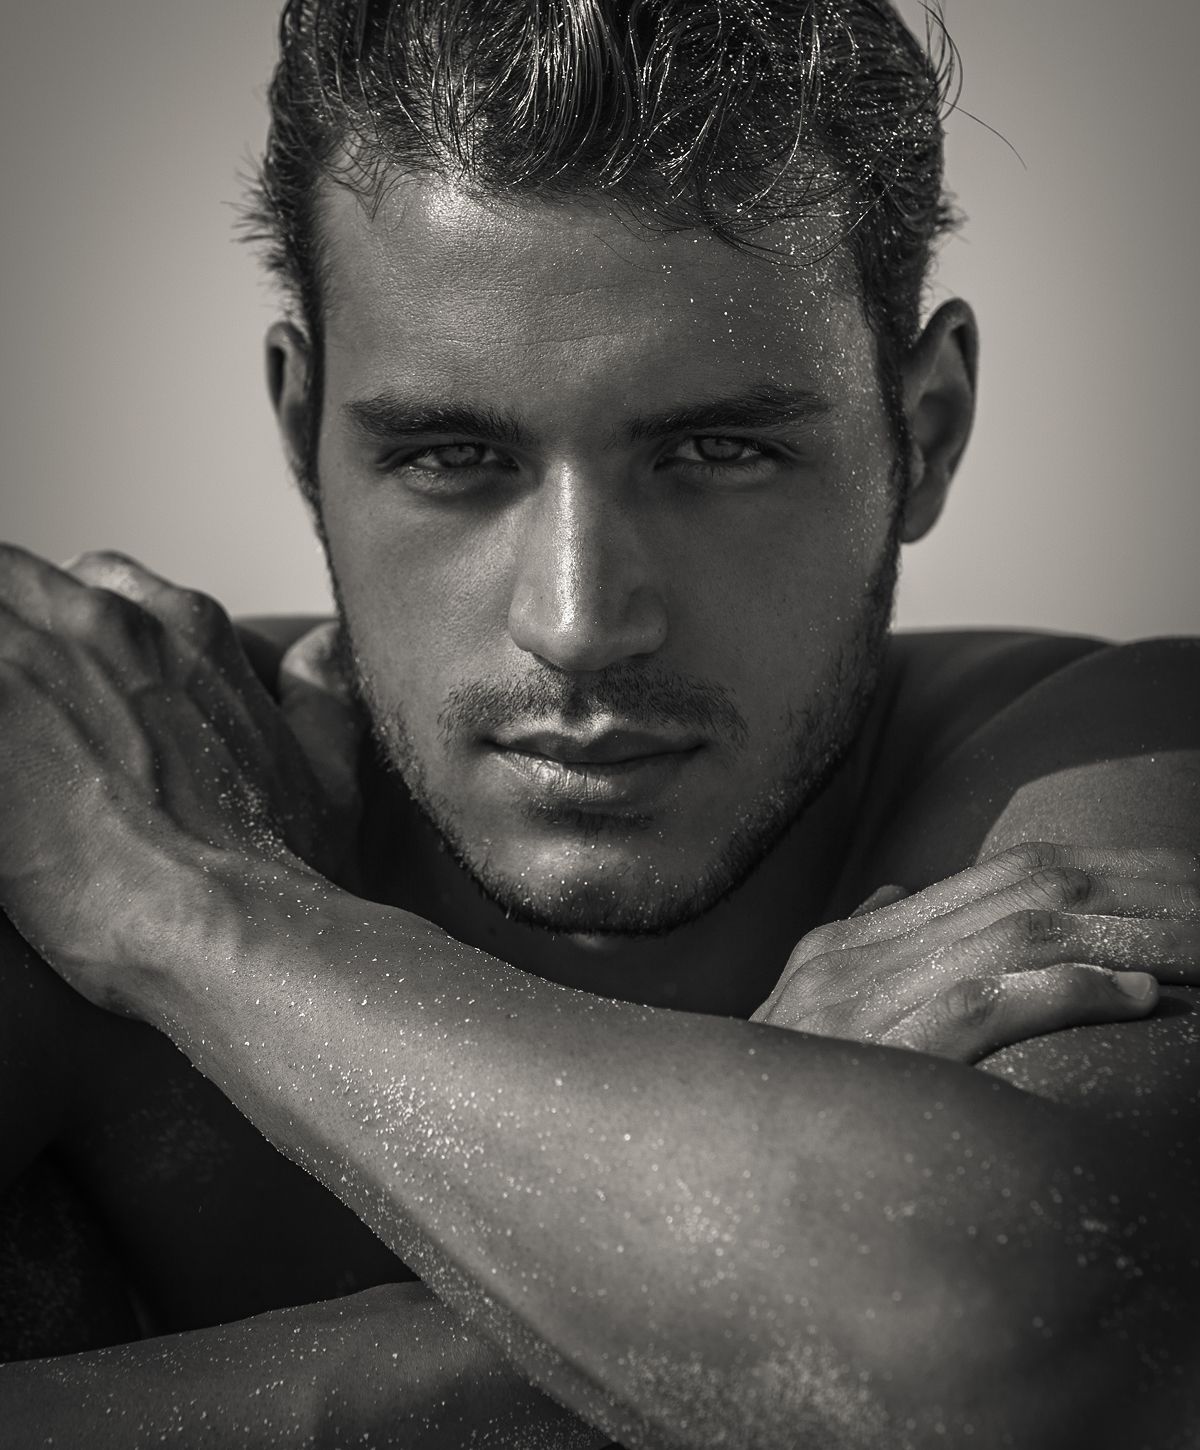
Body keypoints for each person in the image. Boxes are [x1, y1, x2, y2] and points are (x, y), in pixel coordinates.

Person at [1, 1, 1198, 1446]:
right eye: (452, 455)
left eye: (717, 450)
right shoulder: (64, 773)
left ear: (925, 429)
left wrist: (192, 915)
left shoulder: (1117, 770)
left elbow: (1039, 1345)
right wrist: (749, 1197)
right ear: (303, 433)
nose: (578, 621)